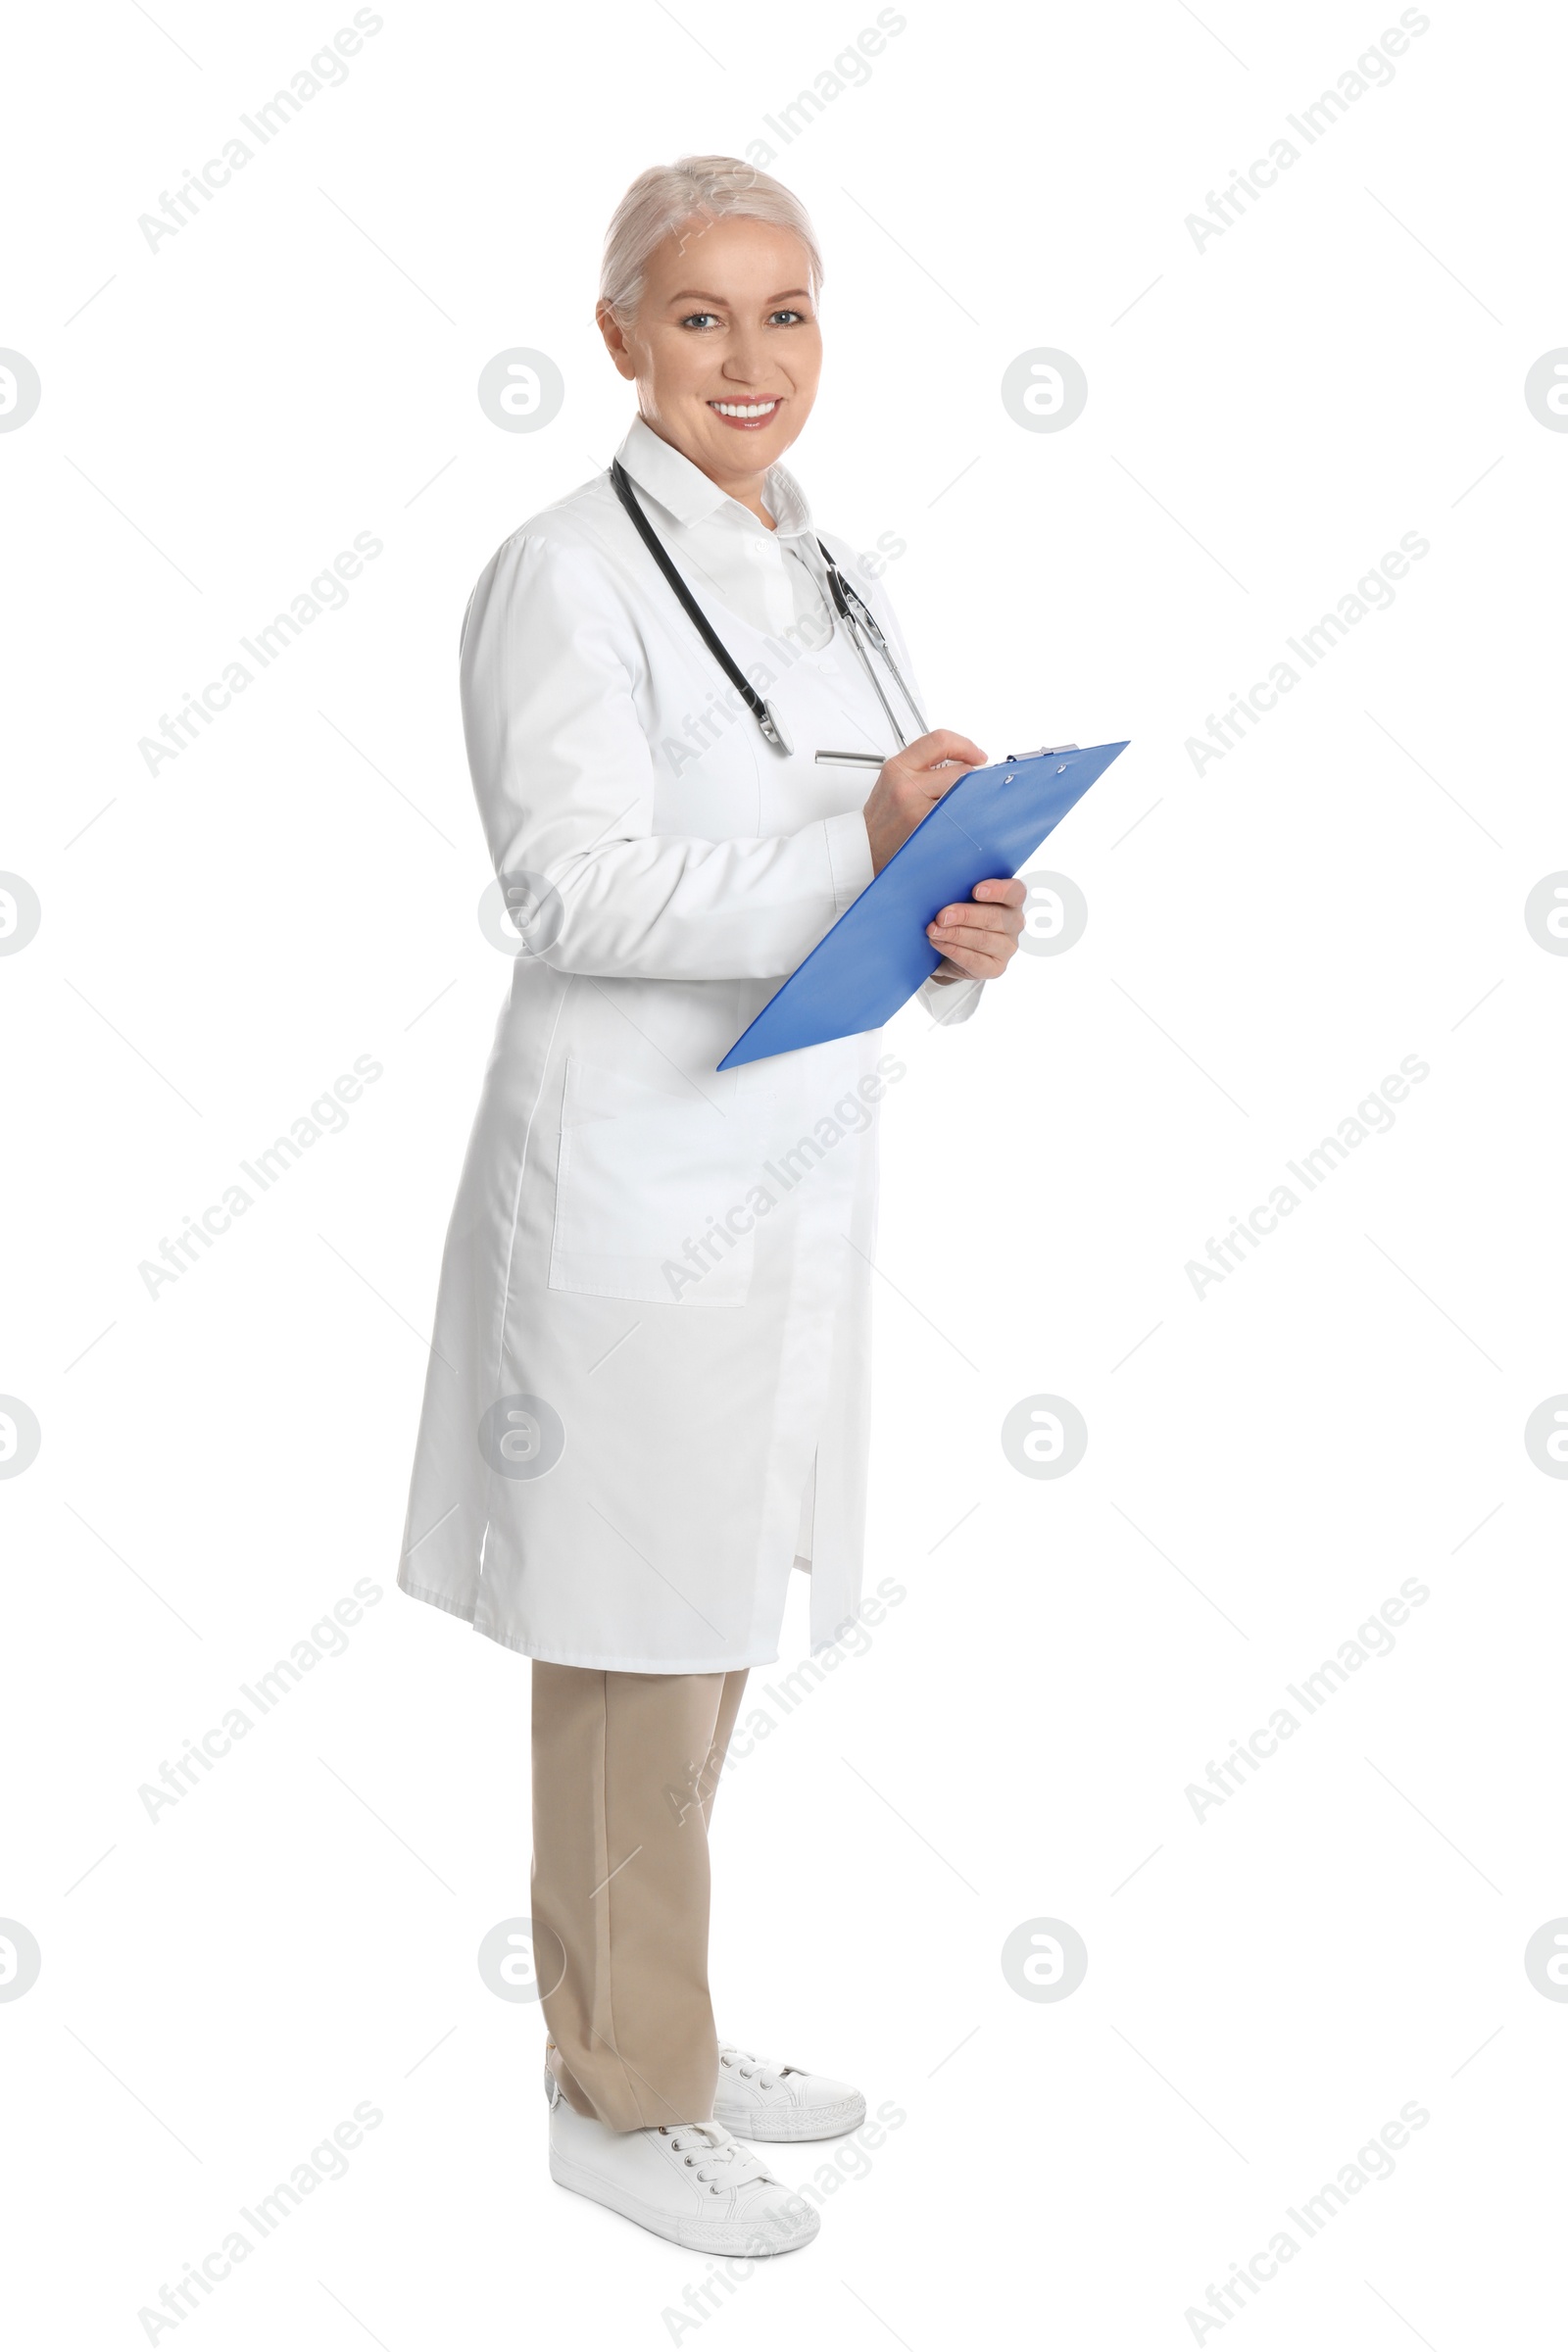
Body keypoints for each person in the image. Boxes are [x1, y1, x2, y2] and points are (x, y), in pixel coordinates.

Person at [398, 155, 1025, 2255]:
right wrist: (857, 868)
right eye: (697, 316)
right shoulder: (558, 575)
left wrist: (952, 921)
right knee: (623, 1655)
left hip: (775, 1184)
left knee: (704, 1621)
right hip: (624, 1188)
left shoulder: (834, 571)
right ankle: (615, 2089)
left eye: (787, 315)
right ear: (616, 341)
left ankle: (649, 2011)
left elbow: (866, 847)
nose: (747, 360)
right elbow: (562, 887)